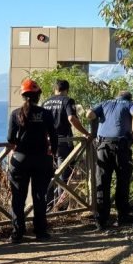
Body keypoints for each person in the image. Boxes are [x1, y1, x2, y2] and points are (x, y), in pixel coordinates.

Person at [7, 79, 59, 243]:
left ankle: (17, 233)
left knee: (18, 198)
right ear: (38, 95)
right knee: (39, 196)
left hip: (21, 159)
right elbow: (54, 136)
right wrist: (53, 154)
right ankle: (41, 232)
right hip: (42, 159)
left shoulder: (15, 114)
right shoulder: (45, 114)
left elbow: (10, 138)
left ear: (23, 96)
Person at [86, 90, 133, 231]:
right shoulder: (129, 104)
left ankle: (101, 220)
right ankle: (122, 216)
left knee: (102, 182)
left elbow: (89, 115)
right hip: (121, 146)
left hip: (103, 146)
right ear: (129, 98)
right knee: (123, 180)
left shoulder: (105, 103)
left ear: (117, 96)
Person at [42, 79, 91, 209]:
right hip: (63, 143)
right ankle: (61, 208)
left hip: (47, 144)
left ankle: (48, 207)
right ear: (66, 90)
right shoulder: (67, 101)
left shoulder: (45, 102)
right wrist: (86, 133)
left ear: (54, 89)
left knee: (48, 175)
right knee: (63, 176)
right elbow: (71, 118)